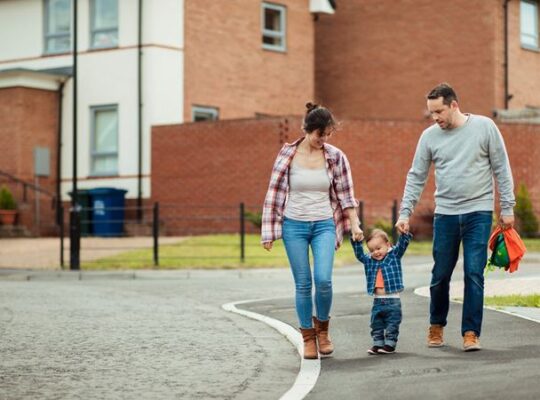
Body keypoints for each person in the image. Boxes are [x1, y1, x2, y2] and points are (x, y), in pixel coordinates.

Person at [395, 83, 515, 351]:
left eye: (439, 111)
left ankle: (471, 332)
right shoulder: (429, 137)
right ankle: (436, 324)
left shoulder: (485, 127)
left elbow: (502, 169)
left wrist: (507, 207)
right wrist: (405, 212)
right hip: (446, 214)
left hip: (478, 212)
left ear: (454, 105)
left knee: (474, 273)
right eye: (431, 113)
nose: (435, 117)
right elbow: (416, 175)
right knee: (440, 274)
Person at [261, 102, 363, 359]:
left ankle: (323, 331)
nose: (325, 139)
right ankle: (308, 337)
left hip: (324, 225)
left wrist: (355, 223)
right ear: (308, 129)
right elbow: (273, 193)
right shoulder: (287, 155)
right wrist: (269, 231)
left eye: (329, 134)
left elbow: (346, 194)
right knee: (303, 284)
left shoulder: (335, 156)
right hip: (293, 225)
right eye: (321, 134)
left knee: (324, 280)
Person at [351, 229, 412, 355]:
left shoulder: (394, 255)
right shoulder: (369, 260)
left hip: (393, 300)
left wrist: (404, 234)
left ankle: (390, 344)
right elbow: (360, 255)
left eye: (378, 248)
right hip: (377, 301)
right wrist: (357, 242)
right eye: (372, 250)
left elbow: (402, 245)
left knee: (392, 323)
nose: (376, 252)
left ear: (388, 245)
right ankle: (378, 344)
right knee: (376, 323)